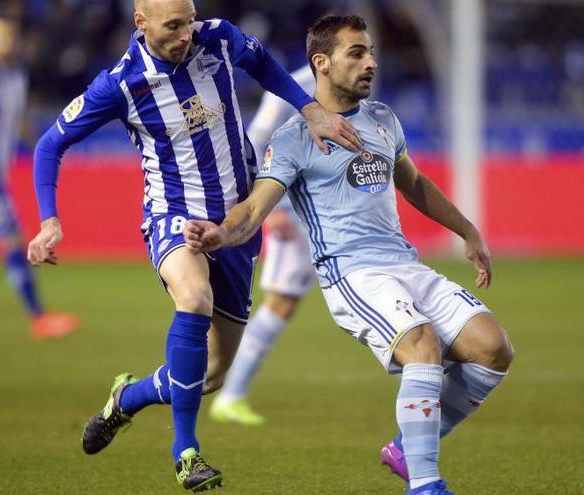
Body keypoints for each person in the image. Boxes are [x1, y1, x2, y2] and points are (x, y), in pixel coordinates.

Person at [26, 0, 361, 492]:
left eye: (189, 20)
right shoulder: (120, 83)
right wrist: (49, 219)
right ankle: (187, 452)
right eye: (174, 26)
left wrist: (311, 111)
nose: (187, 33)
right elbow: (49, 145)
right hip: (173, 216)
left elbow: (264, 63)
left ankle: (128, 399)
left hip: (237, 220)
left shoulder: (219, 37)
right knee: (194, 298)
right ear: (141, 24)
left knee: (212, 374)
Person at [185, 14, 514, 495]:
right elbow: (254, 207)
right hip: (352, 275)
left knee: (493, 348)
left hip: (405, 264)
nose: (371, 63)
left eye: (371, 52)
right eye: (356, 53)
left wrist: (467, 230)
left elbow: (415, 185)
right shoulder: (294, 137)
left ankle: (407, 447)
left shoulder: (383, 118)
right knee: (421, 346)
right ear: (321, 62)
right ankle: (425, 484)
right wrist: (220, 233)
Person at [209, 64, 317, 426]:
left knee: (287, 302)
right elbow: (254, 141)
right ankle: (230, 393)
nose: (367, 60)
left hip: (318, 207)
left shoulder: (346, 82)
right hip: (294, 210)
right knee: (281, 302)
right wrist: (272, 209)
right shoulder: (295, 86)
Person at [0, 16, 80, 340]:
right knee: (12, 239)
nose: (6, 41)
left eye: (10, 35)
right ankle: (38, 316)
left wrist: (42, 148)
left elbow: (18, 119)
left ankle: (38, 316)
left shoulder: (16, 76)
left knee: (11, 239)